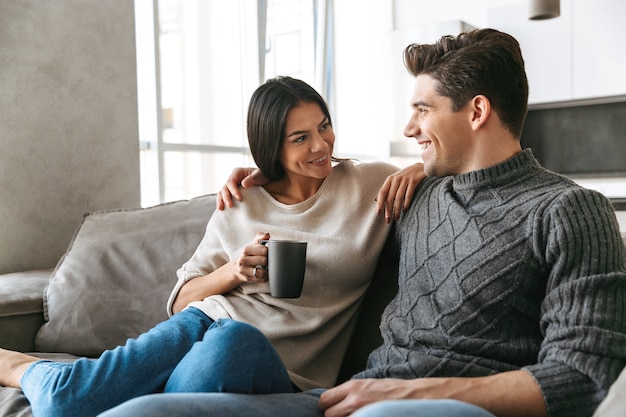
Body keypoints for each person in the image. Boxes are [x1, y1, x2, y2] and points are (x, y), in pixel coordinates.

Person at [98, 28, 626, 417]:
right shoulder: (414, 196)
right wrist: (271, 172)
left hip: (435, 405)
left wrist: (412, 392)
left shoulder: (570, 211)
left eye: (423, 110)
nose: (409, 125)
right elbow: (331, 197)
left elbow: (584, 376)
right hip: (353, 396)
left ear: (477, 111)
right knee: (141, 414)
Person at [0, 76, 425, 417]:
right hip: (199, 324)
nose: (320, 145)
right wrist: (234, 271)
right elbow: (180, 300)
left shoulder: (370, 184)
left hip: (273, 363)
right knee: (63, 403)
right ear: (270, 145)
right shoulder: (241, 200)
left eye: (324, 126)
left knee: (236, 342)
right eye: (299, 138)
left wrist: (420, 169)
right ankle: (18, 366)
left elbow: (451, 166)